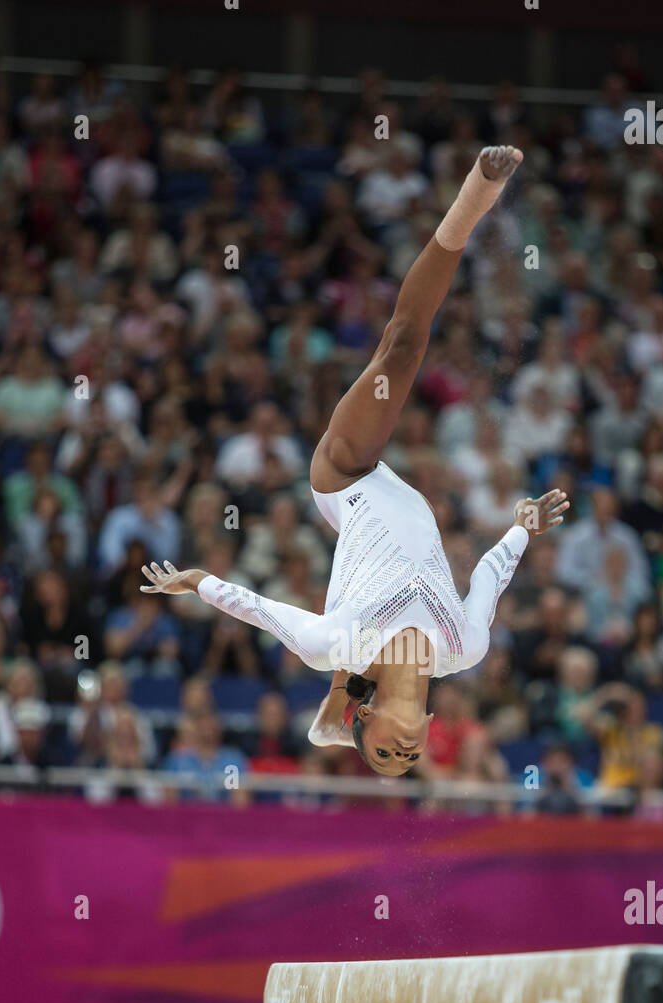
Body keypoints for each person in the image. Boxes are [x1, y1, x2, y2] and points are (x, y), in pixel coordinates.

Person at [141, 147, 569, 776]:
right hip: (404, 508)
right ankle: (474, 205)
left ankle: (475, 196)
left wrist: (196, 581)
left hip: (346, 479)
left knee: (400, 348)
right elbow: (489, 580)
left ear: (364, 721)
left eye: (384, 754)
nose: (404, 752)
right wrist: (522, 528)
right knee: (402, 351)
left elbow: (255, 607)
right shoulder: (463, 649)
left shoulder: (335, 645)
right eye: (408, 758)